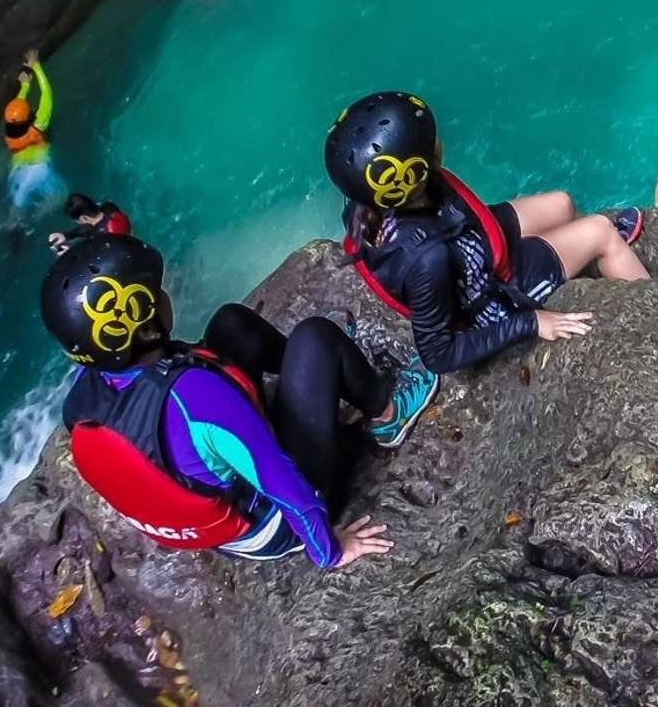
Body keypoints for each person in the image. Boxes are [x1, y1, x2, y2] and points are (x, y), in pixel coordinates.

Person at [44, 234, 437, 567]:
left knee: (231, 324)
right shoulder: (195, 396)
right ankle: (388, 416)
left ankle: (317, 372)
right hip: (274, 522)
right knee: (316, 336)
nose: (163, 293)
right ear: (146, 330)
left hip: (224, 516)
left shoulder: (92, 384)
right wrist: (329, 551)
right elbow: (279, 477)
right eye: (154, 294)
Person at [325, 91, 652, 374]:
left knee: (562, 203)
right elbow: (439, 354)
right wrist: (533, 322)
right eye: (430, 141)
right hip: (488, 295)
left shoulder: (372, 200)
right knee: (602, 230)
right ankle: (656, 307)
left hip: (463, 238)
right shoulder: (425, 259)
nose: (438, 141)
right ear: (418, 170)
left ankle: (586, 258)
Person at [4, 49, 63, 208]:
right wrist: (36, 66)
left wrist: (25, 85)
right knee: (58, 197)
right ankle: (38, 216)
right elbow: (47, 94)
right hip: (38, 170)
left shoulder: (9, 128)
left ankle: (14, 224)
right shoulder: (39, 125)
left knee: (17, 207)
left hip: (16, 171)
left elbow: (18, 105)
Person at [48, 193, 132, 255]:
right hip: (129, 237)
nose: (77, 222)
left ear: (84, 218)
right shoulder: (109, 206)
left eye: (77, 220)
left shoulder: (99, 237)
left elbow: (94, 258)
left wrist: (69, 254)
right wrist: (65, 235)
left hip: (122, 253)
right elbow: (87, 229)